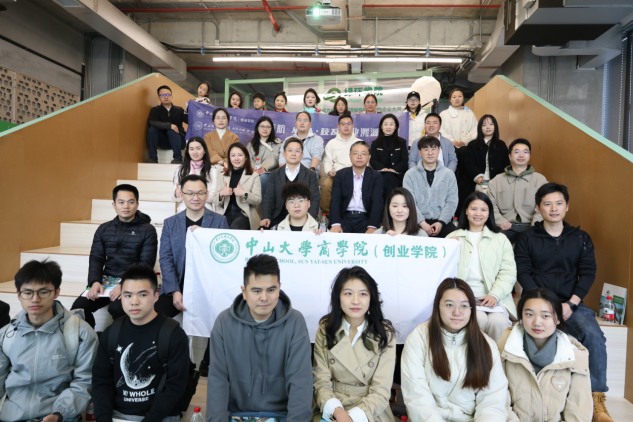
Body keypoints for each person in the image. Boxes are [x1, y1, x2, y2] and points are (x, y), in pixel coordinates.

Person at [514, 182, 613, 422]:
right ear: (538, 208)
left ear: (567, 206)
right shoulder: (527, 237)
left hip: (571, 304)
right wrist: (545, 306)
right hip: (538, 303)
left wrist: (571, 304)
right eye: (547, 204)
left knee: (593, 334)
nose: (554, 208)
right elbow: (523, 272)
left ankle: (597, 400)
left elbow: (588, 273)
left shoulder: (580, 238)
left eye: (559, 203)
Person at [206, 254, 313, 422]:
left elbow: (301, 381)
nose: (264, 298)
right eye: (257, 291)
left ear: (279, 288)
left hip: (282, 415)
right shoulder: (224, 322)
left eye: (271, 290)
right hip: (236, 414)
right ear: (244, 292)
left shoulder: (295, 322)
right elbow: (217, 379)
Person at [0, 259, 98, 422]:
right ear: (18, 294)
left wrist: (59, 414)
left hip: (60, 416)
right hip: (10, 416)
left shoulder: (80, 332)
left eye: (43, 292)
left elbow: (85, 381)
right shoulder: (6, 335)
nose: (35, 299)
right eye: (27, 292)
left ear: (56, 292)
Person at [92, 265, 191, 422]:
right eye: (128, 295)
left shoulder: (174, 335)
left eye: (142, 295)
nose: (134, 302)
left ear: (156, 296)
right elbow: (101, 381)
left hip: (161, 416)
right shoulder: (111, 333)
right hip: (118, 414)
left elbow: (175, 387)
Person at [401, 278, 508, 421]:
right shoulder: (418, 338)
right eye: (449, 305)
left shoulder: (487, 345)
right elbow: (417, 396)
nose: (457, 312)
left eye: (464, 306)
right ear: (438, 306)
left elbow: (492, 402)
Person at [313, 266, 396, 422]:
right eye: (348, 293)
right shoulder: (326, 329)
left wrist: (352, 417)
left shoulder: (385, 334)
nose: (356, 301)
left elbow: (381, 391)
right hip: (332, 408)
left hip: (371, 412)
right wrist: (339, 414)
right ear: (338, 297)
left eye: (363, 294)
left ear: (371, 298)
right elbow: (321, 382)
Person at [499, 287, 592, 422]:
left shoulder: (575, 355)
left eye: (545, 316)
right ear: (521, 316)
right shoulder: (505, 348)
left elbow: (579, 409)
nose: (537, 322)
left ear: (558, 318)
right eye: (529, 314)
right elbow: (499, 402)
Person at [71, 184, 158, 329]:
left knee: (117, 308)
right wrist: (94, 282)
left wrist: (124, 285)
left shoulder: (148, 230)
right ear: (114, 205)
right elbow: (96, 258)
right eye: (121, 202)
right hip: (107, 281)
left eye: (131, 202)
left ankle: (120, 338)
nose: (126, 206)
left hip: (134, 281)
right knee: (78, 308)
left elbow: (146, 263)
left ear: (137, 204)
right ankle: (90, 339)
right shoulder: (104, 229)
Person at [449, 192, 517, 342]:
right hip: (463, 297)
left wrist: (494, 295)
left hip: (496, 297)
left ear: (489, 213)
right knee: (478, 319)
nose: (478, 213)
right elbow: (443, 271)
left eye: (483, 209)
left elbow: (508, 272)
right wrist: (449, 249)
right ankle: (475, 357)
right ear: (466, 211)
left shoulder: (501, 239)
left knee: (499, 322)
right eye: (473, 209)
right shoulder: (453, 237)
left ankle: (497, 357)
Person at [159, 174, 229, 317]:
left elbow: (225, 257)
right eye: (190, 193)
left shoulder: (220, 221)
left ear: (207, 194)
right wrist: (175, 291)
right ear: (181, 195)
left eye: (200, 193)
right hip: (178, 283)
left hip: (209, 286)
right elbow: (165, 259)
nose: (195, 198)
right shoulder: (170, 223)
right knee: (158, 314)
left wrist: (205, 237)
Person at [487, 138, 548, 243]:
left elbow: (546, 204)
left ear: (529, 156)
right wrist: (500, 221)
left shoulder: (540, 180)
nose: (521, 155)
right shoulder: (496, 180)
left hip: (531, 225)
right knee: (495, 242)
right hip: (506, 226)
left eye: (525, 152)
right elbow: (489, 204)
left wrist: (536, 225)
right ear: (510, 156)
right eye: (517, 152)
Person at [403, 136, 458, 238]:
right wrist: (422, 222)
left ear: (439, 151)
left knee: (456, 240)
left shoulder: (449, 174)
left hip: (442, 222)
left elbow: (452, 201)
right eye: (426, 149)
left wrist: (441, 222)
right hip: (416, 222)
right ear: (419, 152)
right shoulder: (410, 174)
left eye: (433, 149)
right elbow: (410, 202)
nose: (430, 153)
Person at [260, 138, 320, 229]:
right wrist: (266, 217)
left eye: (297, 151)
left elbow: (315, 199)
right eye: (290, 150)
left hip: (302, 219)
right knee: (262, 232)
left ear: (302, 155)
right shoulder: (275, 174)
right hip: (279, 217)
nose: (293, 154)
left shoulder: (310, 175)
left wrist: (310, 220)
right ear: (284, 154)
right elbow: (269, 197)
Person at [330, 141, 383, 234]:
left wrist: (372, 226)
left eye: (363, 154)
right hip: (344, 218)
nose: (359, 156)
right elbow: (335, 200)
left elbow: (377, 202)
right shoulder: (341, 175)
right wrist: (335, 224)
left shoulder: (376, 176)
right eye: (355, 153)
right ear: (350, 156)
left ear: (369, 157)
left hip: (366, 218)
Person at [461, 115, 509, 215]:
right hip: (478, 182)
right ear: (480, 128)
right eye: (484, 125)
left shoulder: (501, 145)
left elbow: (506, 165)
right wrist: (478, 177)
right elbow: (469, 163)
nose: (488, 127)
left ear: (495, 127)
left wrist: (497, 180)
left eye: (491, 124)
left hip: (496, 183)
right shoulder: (472, 145)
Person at [214, 143, 262, 230]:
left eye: (240, 155)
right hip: (225, 213)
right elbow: (216, 203)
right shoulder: (222, 176)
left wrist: (244, 194)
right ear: (229, 158)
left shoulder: (253, 175)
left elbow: (257, 200)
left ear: (246, 157)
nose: (236, 158)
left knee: (234, 228)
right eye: (233, 155)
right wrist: (221, 194)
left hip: (244, 214)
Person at [321, 115, 361, 217]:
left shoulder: (359, 143)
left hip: (355, 174)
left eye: (349, 124)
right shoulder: (332, 143)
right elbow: (327, 161)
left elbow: (365, 161)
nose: (346, 126)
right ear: (338, 126)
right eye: (343, 124)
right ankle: (328, 216)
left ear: (353, 126)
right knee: (326, 186)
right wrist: (329, 171)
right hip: (337, 175)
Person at [370, 113, 409, 199]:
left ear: (395, 127)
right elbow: (373, 160)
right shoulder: (375, 143)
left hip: (397, 175)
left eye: (391, 124)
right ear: (381, 126)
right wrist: (383, 169)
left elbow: (404, 160)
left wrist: (394, 170)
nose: (388, 127)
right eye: (386, 124)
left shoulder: (401, 142)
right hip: (380, 174)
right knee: (386, 177)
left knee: (390, 177)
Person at [171, 137, 215, 212]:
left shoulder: (212, 170)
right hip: (184, 209)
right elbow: (174, 197)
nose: (195, 152)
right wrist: (176, 194)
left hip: (205, 209)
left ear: (204, 150)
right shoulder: (180, 170)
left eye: (198, 148)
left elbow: (214, 197)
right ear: (188, 151)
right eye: (191, 149)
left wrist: (189, 195)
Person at [147, 85, 188, 164]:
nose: (166, 97)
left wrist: (189, 108)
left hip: (179, 141)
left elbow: (190, 121)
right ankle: (153, 158)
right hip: (164, 142)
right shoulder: (155, 110)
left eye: (168, 94)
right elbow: (152, 122)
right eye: (163, 95)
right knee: (152, 129)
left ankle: (178, 158)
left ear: (172, 96)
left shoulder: (179, 110)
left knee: (171, 131)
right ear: (159, 97)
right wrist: (169, 125)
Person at [247, 116, 282, 196]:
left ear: (271, 129)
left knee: (262, 177)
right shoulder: (251, 144)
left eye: (268, 127)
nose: (265, 129)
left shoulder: (277, 142)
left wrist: (264, 168)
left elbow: (275, 157)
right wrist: (253, 168)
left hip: (270, 172)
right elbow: (248, 158)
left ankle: (262, 202)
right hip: (253, 171)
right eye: (262, 126)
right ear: (258, 128)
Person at [280, 111, 324, 175]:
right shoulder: (288, 140)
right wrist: (283, 172)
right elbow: (282, 157)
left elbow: (316, 155)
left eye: (305, 121)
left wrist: (311, 170)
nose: (302, 123)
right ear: (296, 124)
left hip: (309, 171)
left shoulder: (317, 139)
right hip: (289, 171)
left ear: (310, 124)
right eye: (299, 120)